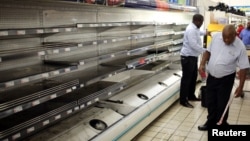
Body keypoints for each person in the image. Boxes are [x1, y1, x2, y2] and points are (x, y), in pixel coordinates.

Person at [198, 25, 250, 131]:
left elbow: (244, 68)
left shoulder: (240, 46)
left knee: (222, 103)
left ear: (235, 35)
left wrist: (240, 87)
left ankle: (221, 124)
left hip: (226, 79)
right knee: (211, 101)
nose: (226, 40)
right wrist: (202, 63)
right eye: (224, 37)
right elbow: (208, 51)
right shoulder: (216, 37)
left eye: (229, 38)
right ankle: (210, 122)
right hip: (211, 76)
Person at [179, 13, 209, 108]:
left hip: (193, 57)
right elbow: (193, 45)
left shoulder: (195, 28)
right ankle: (183, 100)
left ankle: (191, 96)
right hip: (187, 57)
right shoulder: (191, 29)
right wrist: (206, 51)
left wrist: (205, 32)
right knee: (186, 80)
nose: (202, 23)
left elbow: (198, 33)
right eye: (202, 22)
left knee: (193, 77)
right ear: (197, 21)